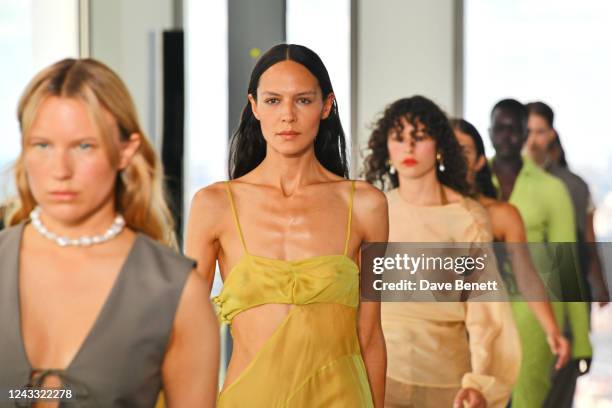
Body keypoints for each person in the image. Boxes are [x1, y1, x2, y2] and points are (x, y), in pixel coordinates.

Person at [0, 58, 219, 408]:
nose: (61, 170)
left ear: (125, 151)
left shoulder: (177, 293)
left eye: (84, 146)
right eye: (42, 145)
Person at [185, 44, 388, 407]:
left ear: (326, 106)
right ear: (255, 106)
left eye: (303, 101)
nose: (288, 116)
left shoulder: (366, 205)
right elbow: (190, 334)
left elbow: (370, 335)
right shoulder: (213, 205)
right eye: (274, 100)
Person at [364, 95, 520, 408]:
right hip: (379, 379)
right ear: (386, 148)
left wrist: (482, 383)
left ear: (439, 147)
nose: (408, 147)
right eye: (399, 138)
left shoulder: (467, 216)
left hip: (447, 383)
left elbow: (486, 313)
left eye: (419, 137)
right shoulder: (373, 210)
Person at [487, 98, 592, 407]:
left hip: (538, 314)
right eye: (500, 129)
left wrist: (582, 342)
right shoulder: (473, 184)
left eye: (515, 129)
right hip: (485, 312)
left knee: (527, 399)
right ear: (490, 132)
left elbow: (567, 266)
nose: (507, 137)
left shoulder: (551, 189)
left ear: (524, 134)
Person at [452, 117, 571, 368]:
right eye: (449, 150)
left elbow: (526, 274)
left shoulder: (500, 215)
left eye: (464, 151)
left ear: (480, 161)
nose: (455, 159)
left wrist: (552, 330)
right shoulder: (410, 211)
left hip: (487, 339)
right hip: (430, 342)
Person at [526, 101, 609, 305]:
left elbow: (586, 239)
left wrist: (600, 285)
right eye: (528, 131)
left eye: (539, 132)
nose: (532, 140)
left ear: (552, 134)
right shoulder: (501, 180)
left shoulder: (575, 187)